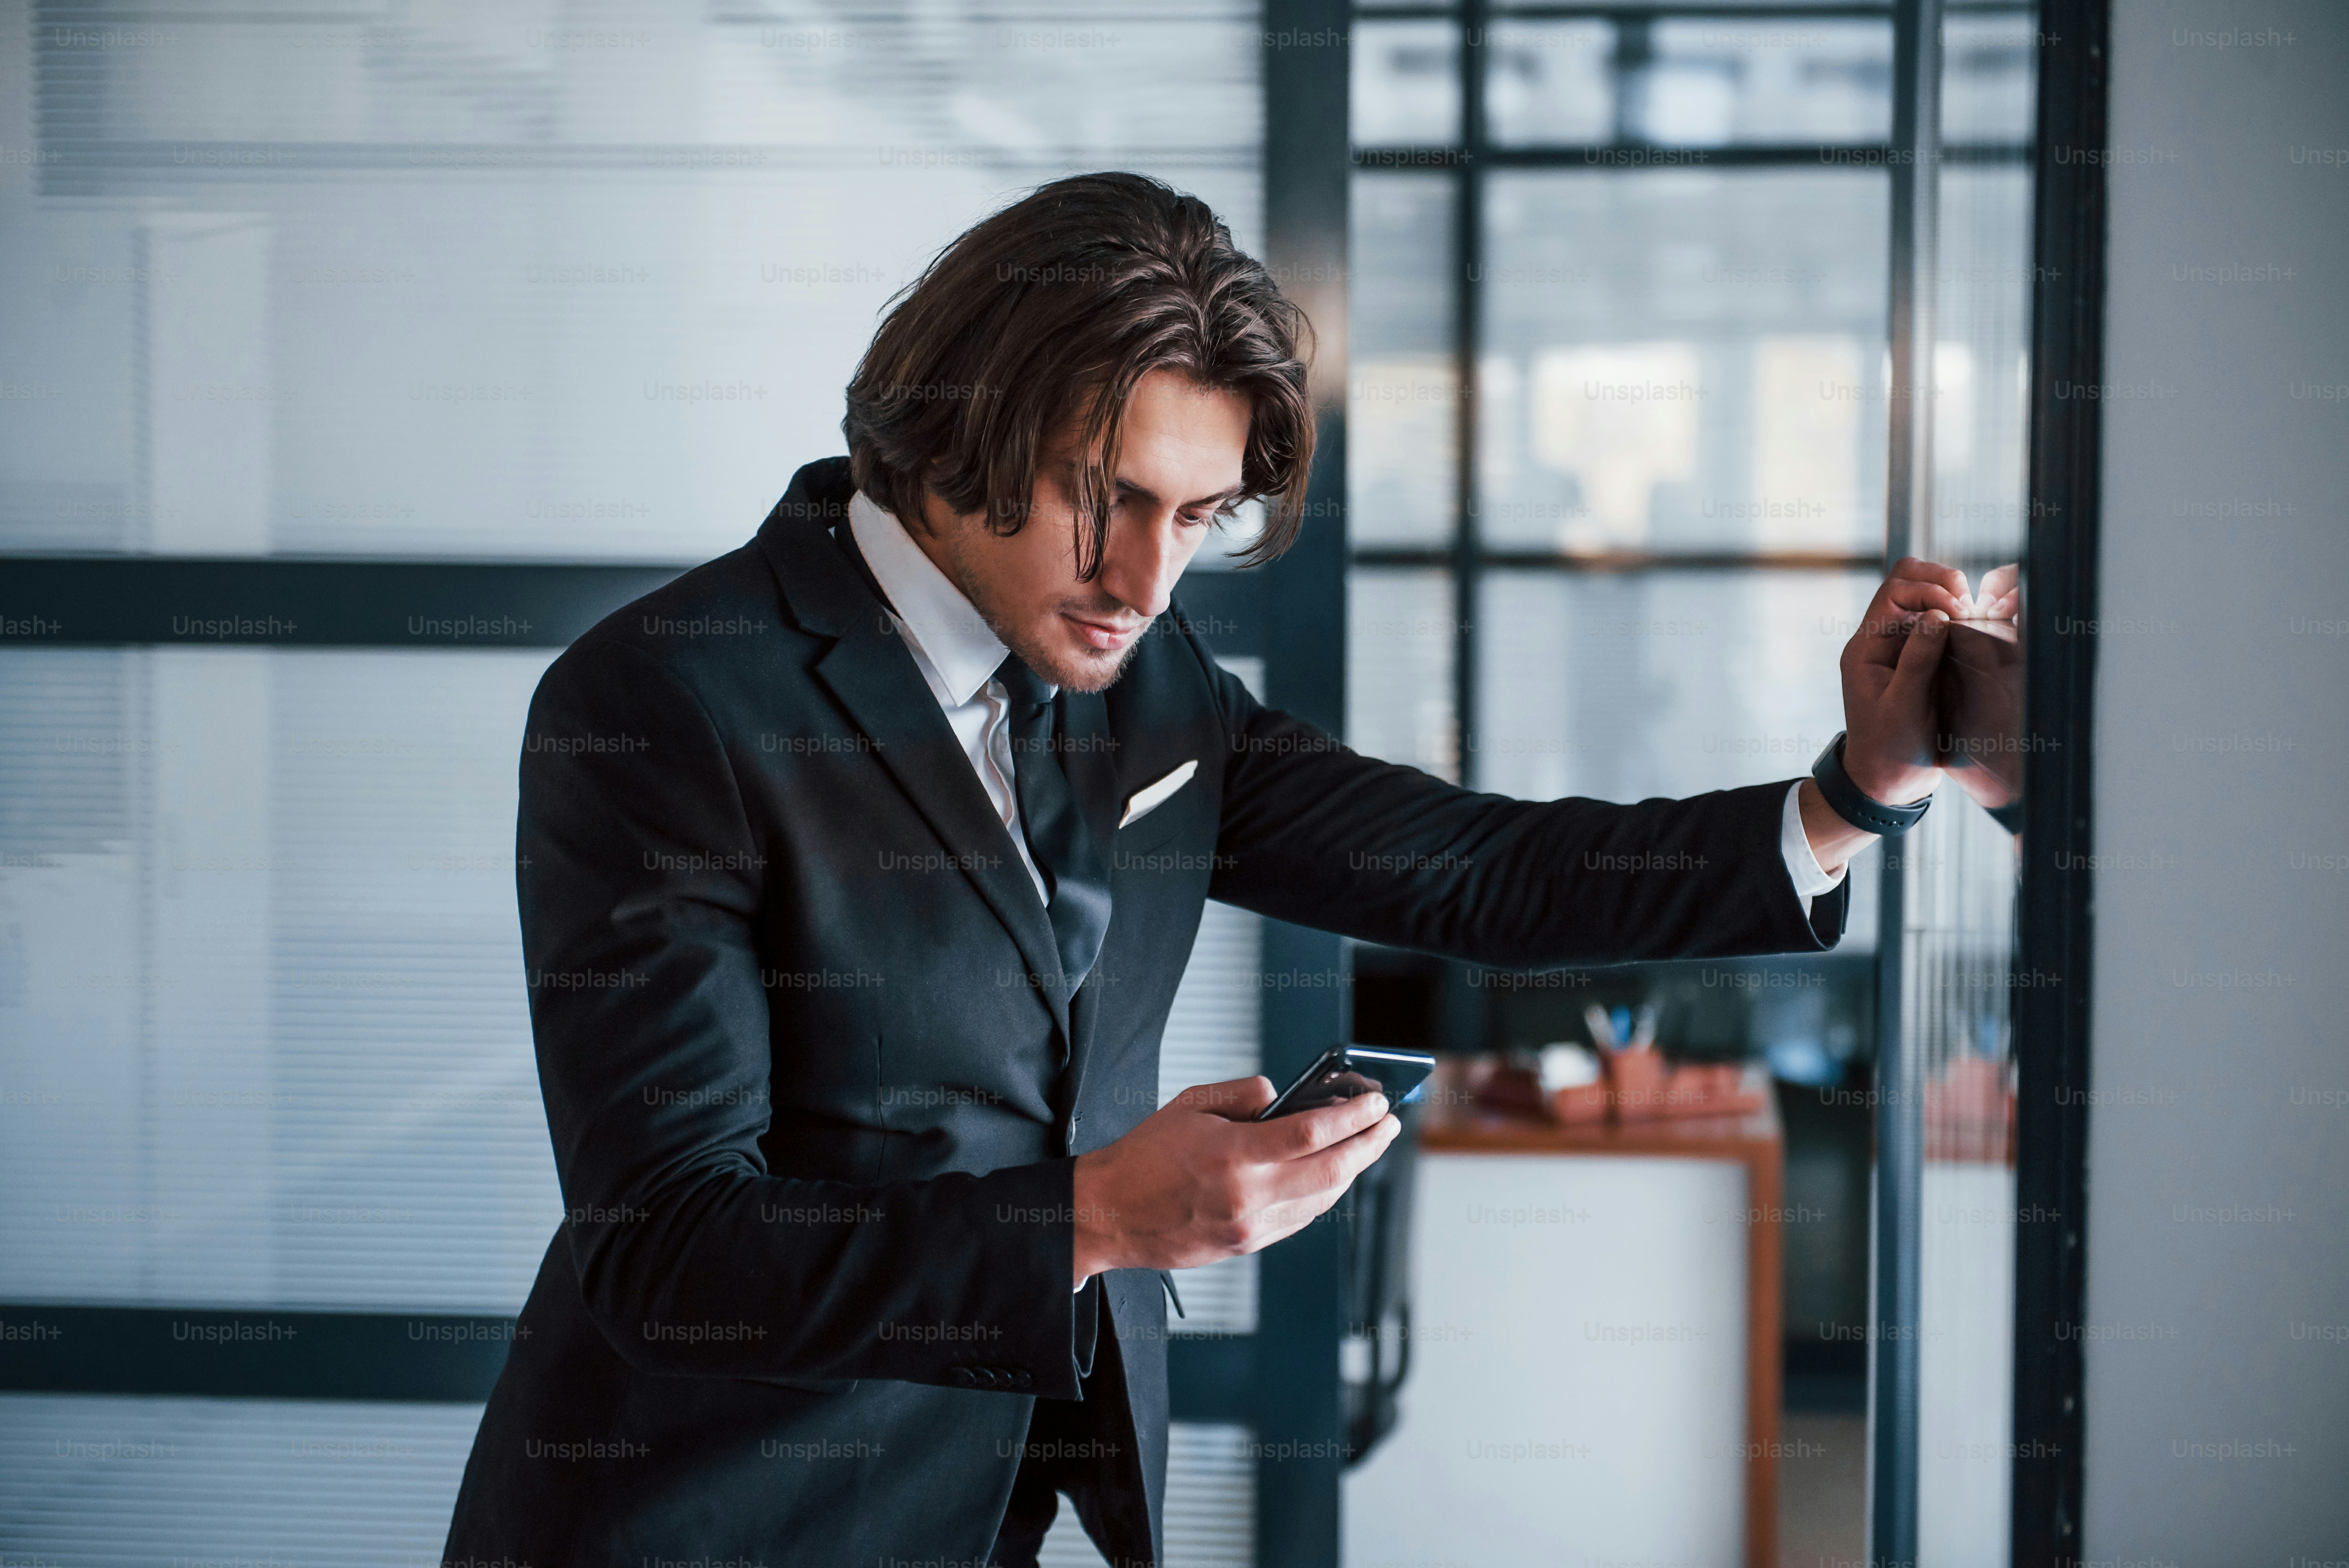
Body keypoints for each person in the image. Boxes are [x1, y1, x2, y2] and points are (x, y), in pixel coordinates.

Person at [442, 171, 1984, 1567]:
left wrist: (1855, 790)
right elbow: (669, 1247)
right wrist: (1097, 1218)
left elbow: (1482, 873)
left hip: (1016, 1507)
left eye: (1198, 518)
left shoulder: (1150, 678)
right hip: (711, 1521)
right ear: (951, 420)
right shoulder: (664, 701)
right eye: (1103, 497)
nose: (1145, 577)